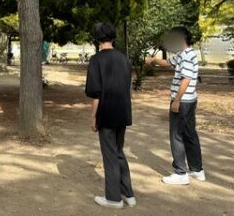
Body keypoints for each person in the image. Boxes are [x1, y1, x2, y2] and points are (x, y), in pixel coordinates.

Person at [145, 26, 205, 185]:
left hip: (183, 101)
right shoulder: (185, 54)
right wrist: (153, 60)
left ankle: (180, 173)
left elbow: (186, 79)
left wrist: (177, 100)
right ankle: (197, 170)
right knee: (189, 134)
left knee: (176, 135)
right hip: (190, 100)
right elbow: (167, 62)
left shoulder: (186, 56)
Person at [85, 22, 136, 209]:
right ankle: (128, 194)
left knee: (110, 155)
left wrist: (93, 116)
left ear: (97, 38)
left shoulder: (96, 60)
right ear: (113, 37)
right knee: (118, 152)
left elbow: (96, 93)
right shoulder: (124, 59)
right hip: (123, 111)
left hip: (106, 112)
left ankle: (113, 199)